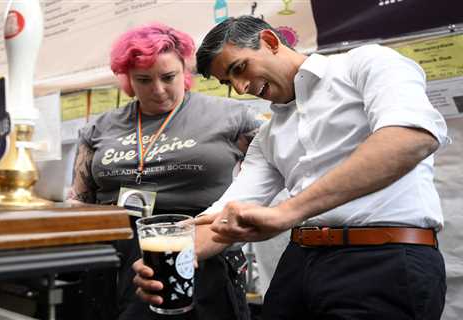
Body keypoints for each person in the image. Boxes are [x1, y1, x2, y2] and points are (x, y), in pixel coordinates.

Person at [133, 15, 449, 320]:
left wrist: (289, 211)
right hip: (300, 263)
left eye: (240, 68)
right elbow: (225, 214)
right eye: (229, 82)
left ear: (270, 41)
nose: (241, 88)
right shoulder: (267, 136)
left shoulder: (366, 64)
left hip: (386, 259)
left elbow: (411, 137)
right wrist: (172, 254)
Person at [68, 23, 261, 320]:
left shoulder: (234, 117)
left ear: (185, 70)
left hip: (201, 244)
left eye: (168, 77)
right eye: (143, 80)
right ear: (128, 80)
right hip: (115, 254)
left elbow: (271, 177)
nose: (158, 89)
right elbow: (80, 201)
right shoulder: (100, 128)